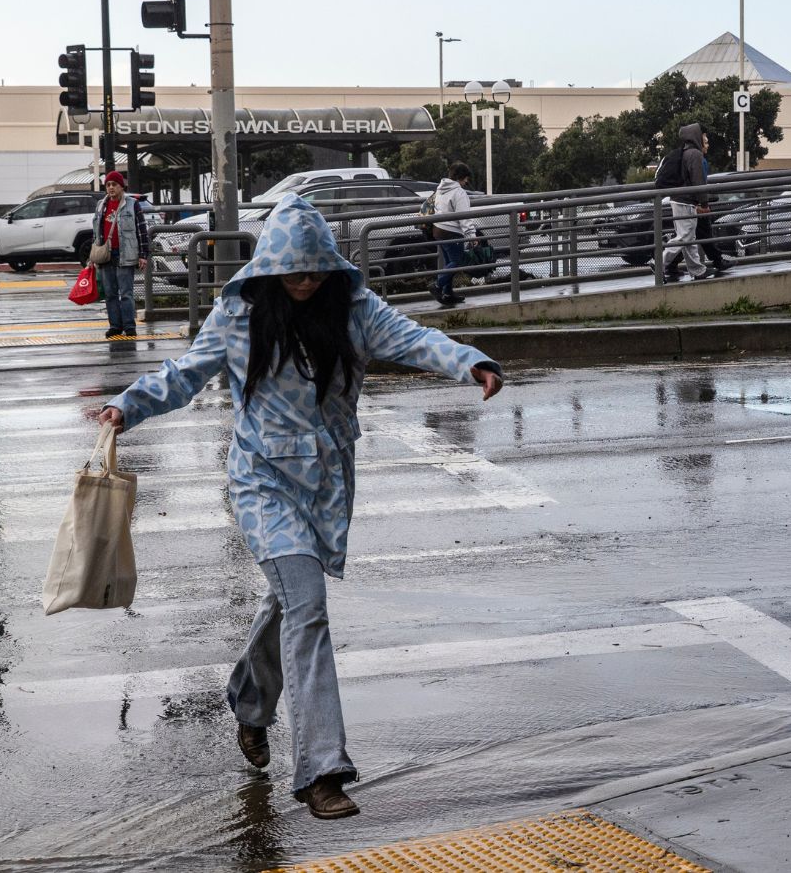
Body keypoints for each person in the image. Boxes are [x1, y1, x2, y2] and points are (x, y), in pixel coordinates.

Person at [96, 194, 504, 819]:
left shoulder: (354, 310)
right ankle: (322, 770)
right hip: (261, 483)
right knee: (307, 607)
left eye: (315, 270)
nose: (306, 280)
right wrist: (129, 405)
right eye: (294, 271)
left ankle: (248, 700)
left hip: (326, 483)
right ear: (269, 269)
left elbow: (413, 338)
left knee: (288, 602)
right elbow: (183, 374)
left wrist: (469, 361)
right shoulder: (239, 315)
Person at [91, 171, 150, 339]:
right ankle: (115, 326)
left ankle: (129, 326)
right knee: (110, 293)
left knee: (126, 293)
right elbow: (95, 233)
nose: (111, 188)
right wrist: (92, 257)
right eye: (108, 185)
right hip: (106, 255)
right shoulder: (101, 205)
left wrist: (143, 255)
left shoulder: (132, 204)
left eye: (114, 184)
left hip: (126, 254)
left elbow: (141, 231)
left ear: (121, 186)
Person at [659, 123, 710, 281]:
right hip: (686, 201)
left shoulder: (685, 152)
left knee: (689, 238)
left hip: (679, 199)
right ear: (697, 138)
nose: (707, 142)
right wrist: (704, 203)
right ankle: (659, 261)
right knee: (685, 237)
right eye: (705, 139)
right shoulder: (695, 154)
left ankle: (697, 270)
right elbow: (698, 181)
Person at [428, 162, 480, 306]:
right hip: (451, 231)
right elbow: (464, 217)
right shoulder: (459, 193)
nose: (467, 181)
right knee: (458, 262)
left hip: (438, 229)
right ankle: (438, 285)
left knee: (449, 263)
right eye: (466, 178)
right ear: (461, 177)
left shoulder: (440, 189)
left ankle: (447, 293)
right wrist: (472, 236)